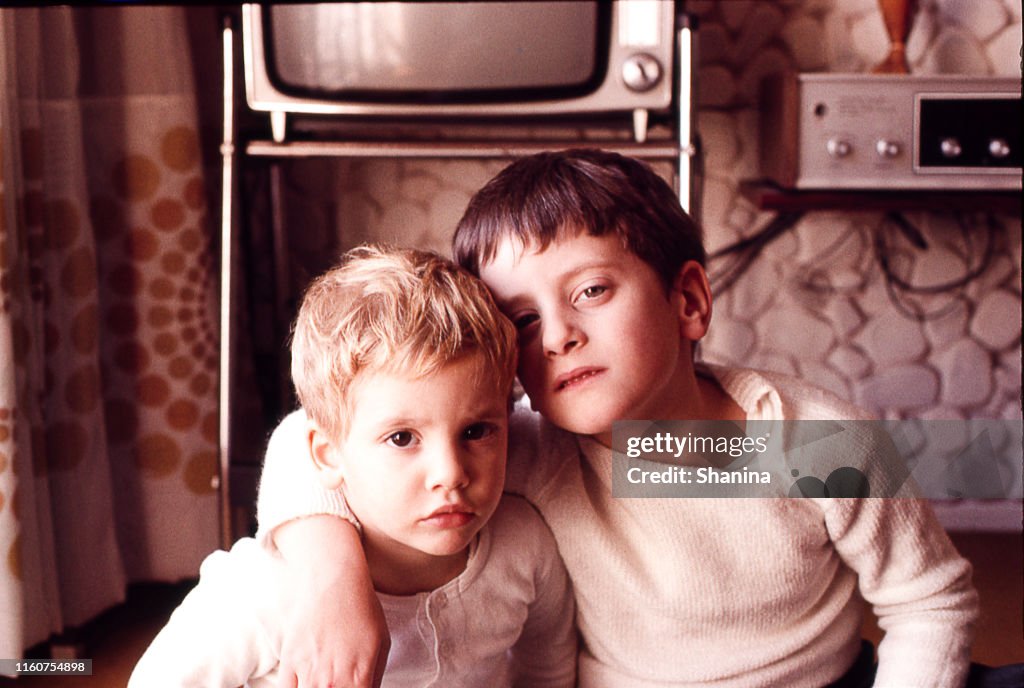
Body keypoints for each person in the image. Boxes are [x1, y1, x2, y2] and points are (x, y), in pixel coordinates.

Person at [257, 149, 980, 688]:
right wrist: (333, 575)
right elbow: (307, 438)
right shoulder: (532, 452)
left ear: (689, 300)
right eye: (523, 319)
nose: (559, 335)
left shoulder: (818, 444)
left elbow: (930, 602)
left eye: (593, 290)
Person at [129, 246, 577, 688]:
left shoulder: (525, 548)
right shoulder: (265, 589)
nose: (451, 473)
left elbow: (547, 673)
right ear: (327, 455)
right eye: (402, 438)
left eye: (477, 431)